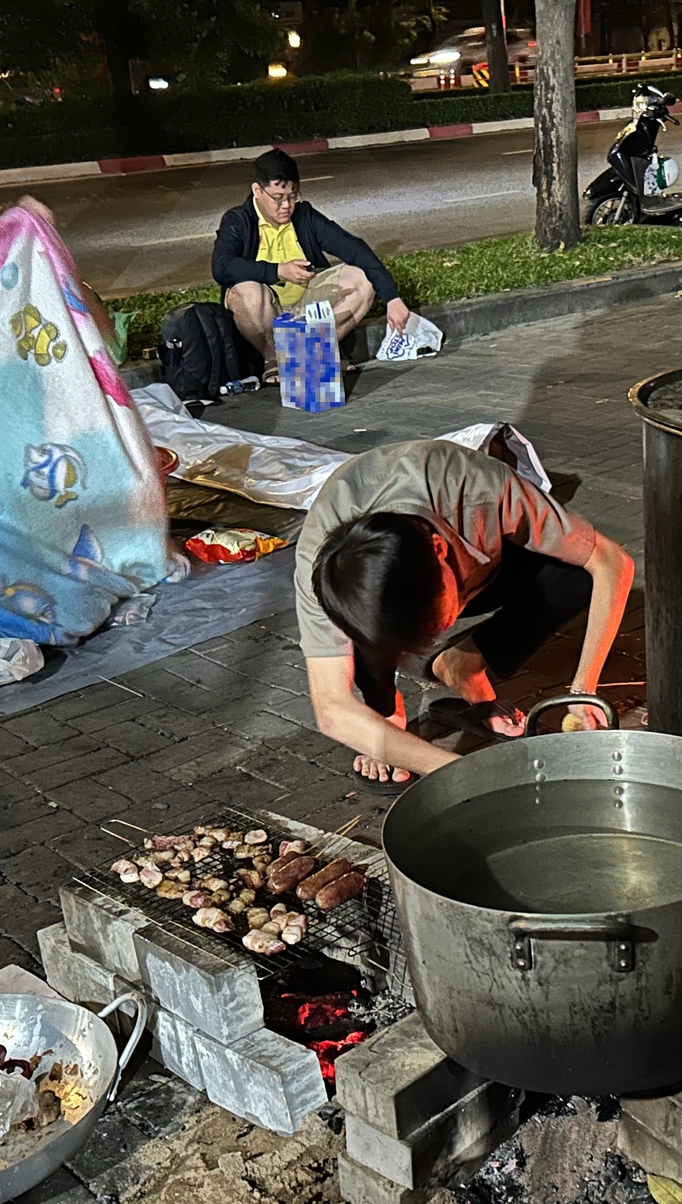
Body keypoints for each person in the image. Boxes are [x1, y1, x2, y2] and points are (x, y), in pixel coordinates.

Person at [297, 440, 635, 785]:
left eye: (434, 624)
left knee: (578, 575)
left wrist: (583, 688)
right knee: (367, 645)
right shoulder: (327, 569)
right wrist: (462, 772)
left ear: (439, 548)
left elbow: (612, 562)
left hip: (490, 561)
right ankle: (385, 712)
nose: (432, 636)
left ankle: (464, 663)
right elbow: (332, 707)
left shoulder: (483, 492)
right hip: (386, 597)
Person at [214, 149, 411, 364]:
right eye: (278, 198)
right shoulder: (238, 221)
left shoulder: (304, 215)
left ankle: (314, 352)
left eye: (292, 196)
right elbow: (222, 267)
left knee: (361, 279)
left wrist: (392, 298)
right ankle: (274, 359)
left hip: (306, 306)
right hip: (267, 312)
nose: (287, 206)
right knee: (246, 291)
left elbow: (355, 249)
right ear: (257, 190)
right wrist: (278, 270)